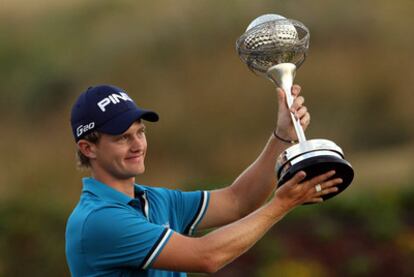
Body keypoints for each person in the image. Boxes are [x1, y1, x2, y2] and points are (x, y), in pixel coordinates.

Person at [65, 84, 342, 276]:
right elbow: (206, 257)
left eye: (140, 132)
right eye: (123, 138)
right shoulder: (98, 220)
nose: (137, 144)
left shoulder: (155, 199)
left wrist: (281, 136)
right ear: (88, 148)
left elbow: (238, 201)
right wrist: (280, 205)